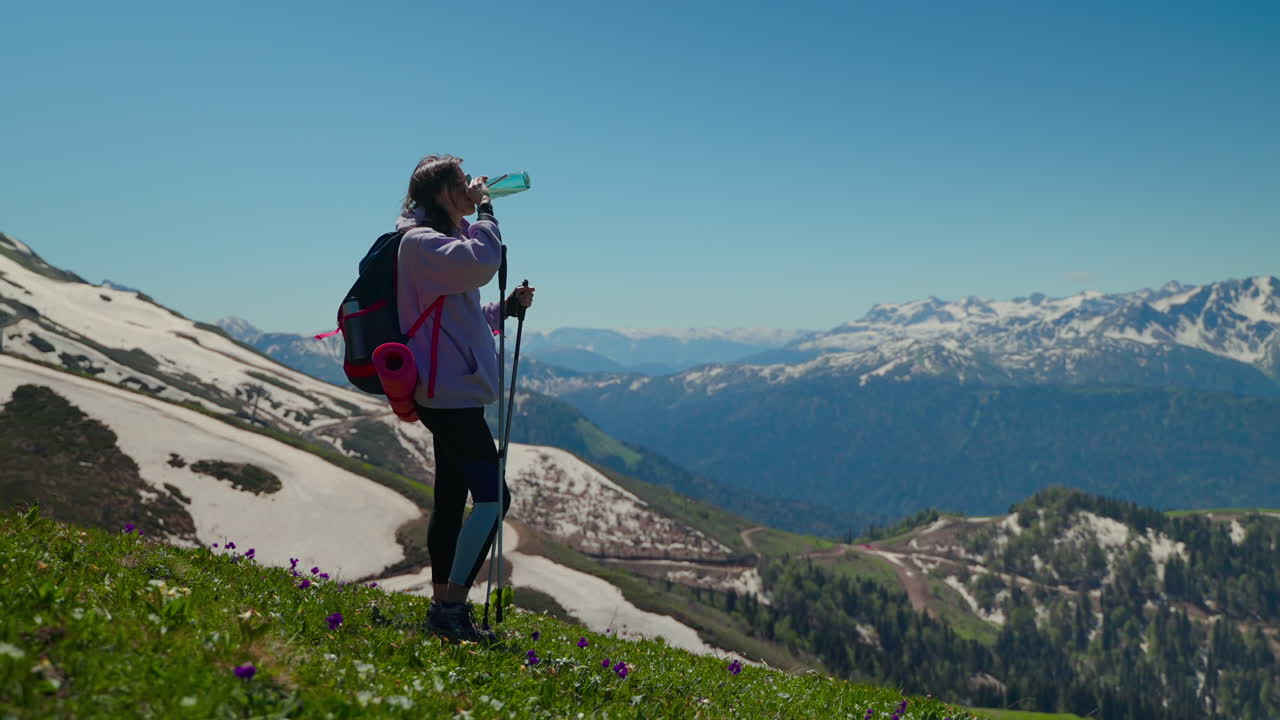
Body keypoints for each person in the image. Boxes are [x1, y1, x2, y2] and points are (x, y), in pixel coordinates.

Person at [395, 154, 535, 641]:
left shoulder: (439, 244)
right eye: (462, 185)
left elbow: (459, 319)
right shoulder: (421, 244)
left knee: (452, 500)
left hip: (451, 388)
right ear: (441, 194)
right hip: (448, 395)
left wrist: (506, 310)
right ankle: (452, 608)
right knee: (495, 498)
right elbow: (483, 262)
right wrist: (488, 212)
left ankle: (443, 606)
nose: (471, 190)